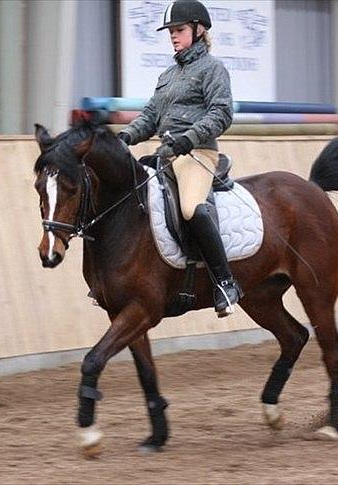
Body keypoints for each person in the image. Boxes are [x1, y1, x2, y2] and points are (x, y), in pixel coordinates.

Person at [117, 0, 242, 317]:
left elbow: (221, 113)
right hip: (167, 154)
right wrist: (126, 136)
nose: (173, 36)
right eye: (171, 31)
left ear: (199, 31)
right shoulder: (168, 75)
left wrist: (190, 138)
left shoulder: (213, 69)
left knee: (191, 209)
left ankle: (225, 282)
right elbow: (150, 116)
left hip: (198, 153)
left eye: (179, 30)